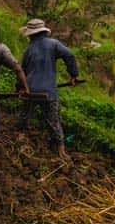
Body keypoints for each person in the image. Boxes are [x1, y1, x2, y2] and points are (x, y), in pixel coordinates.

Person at [18, 18, 78, 160]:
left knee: (25, 117)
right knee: (54, 121)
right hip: (49, 92)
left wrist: (20, 87)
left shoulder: (28, 50)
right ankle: (60, 149)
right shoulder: (54, 44)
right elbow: (70, 55)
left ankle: (20, 139)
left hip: (30, 91)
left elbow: (22, 71)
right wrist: (73, 75)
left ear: (31, 34)